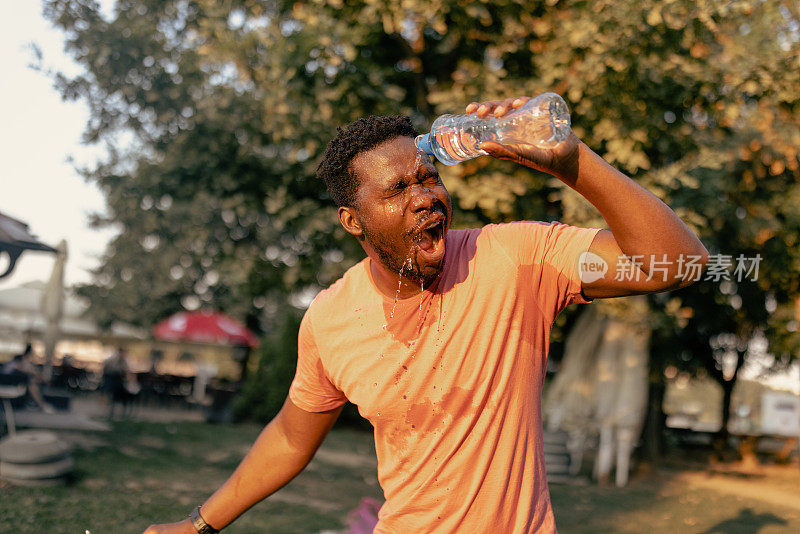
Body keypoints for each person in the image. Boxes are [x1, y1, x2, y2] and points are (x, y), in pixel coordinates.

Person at [143, 96, 708, 534]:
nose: (425, 198)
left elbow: (680, 263)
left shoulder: (513, 259)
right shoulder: (330, 320)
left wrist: (572, 162)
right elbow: (291, 440)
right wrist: (197, 525)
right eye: (396, 190)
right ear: (352, 220)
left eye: (428, 178)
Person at [1, 343, 55, 413]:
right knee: (32, 385)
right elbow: (28, 371)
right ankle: (42, 405)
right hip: (7, 383)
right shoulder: (22, 362)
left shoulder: (20, 362)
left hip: (12, 381)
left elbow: (29, 371)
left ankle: (38, 403)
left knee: (33, 383)